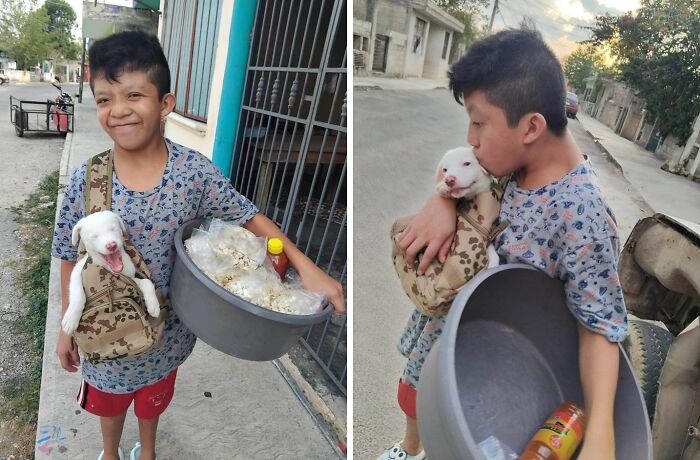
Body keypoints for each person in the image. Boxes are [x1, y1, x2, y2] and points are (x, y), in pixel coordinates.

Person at [52, 31, 344, 460]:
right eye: (103, 99)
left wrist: (307, 265)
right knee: (109, 404)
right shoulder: (87, 180)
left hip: (168, 334)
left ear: (165, 104)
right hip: (105, 333)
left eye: (134, 94)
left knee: (153, 399)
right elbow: (65, 252)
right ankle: (111, 453)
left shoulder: (193, 173)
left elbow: (249, 215)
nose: (118, 110)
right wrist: (67, 325)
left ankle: (146, 451)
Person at [381, 28, 628, 460]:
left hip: (500, 367)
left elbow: (600, 326)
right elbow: (461, 177)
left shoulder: (581, 213)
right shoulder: (506, 163)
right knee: (418, 395)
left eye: (479, 122)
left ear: (531, 126)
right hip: (450, 331)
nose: (471, 138)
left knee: (463, 434)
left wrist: (602, 436)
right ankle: (411, 449)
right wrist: (440, 201)